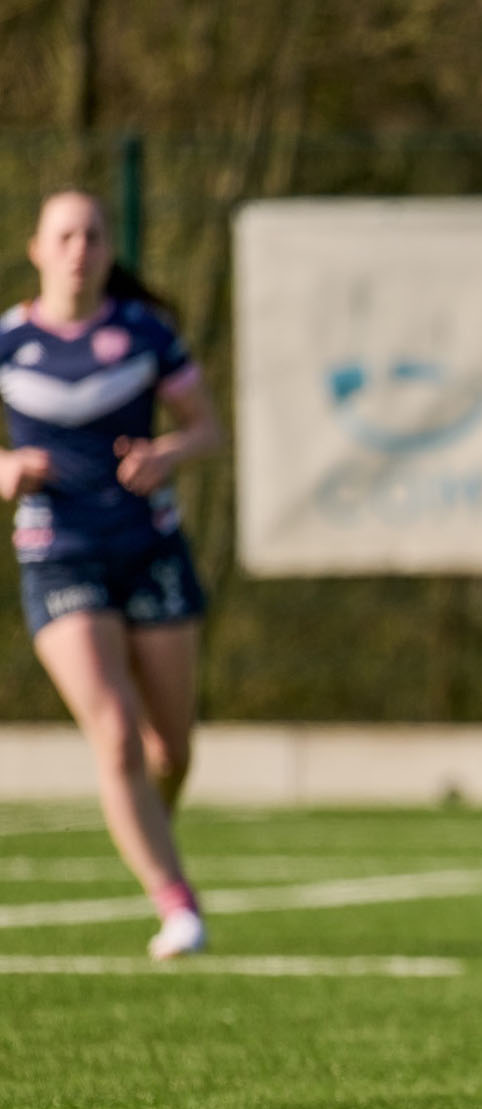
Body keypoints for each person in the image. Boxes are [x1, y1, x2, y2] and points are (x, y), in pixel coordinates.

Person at [0, 189, 222, 961]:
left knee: (171, 752)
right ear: (37, 248)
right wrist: (5, 468)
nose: (79, 249)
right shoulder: (9, 340)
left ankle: (144, 826)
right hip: (59, 552)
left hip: (150, 549)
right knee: (116, 732)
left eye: (92, 235)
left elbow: (207, 427)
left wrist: (168, 454)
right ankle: (177, 902)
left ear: (106, 251)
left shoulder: (144, 332)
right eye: (64, 235)